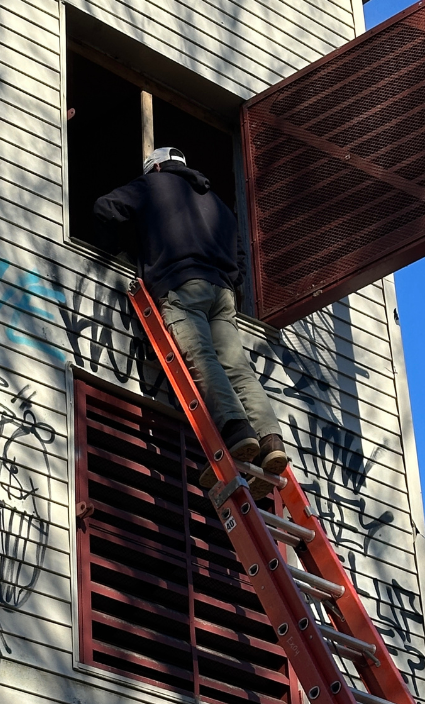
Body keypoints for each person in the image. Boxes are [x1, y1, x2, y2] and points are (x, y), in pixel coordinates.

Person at [93, 146, 288, 499]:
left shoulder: (152, 186)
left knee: (202, 357)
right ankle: (270, 440)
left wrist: (115, 250)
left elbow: (105, 208)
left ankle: (235, 429)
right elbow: (241, 257)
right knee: (238, 366)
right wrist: (231, 282)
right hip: (222, 293)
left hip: (181, 284)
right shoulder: (219, 205)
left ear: (155, 168)